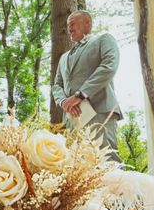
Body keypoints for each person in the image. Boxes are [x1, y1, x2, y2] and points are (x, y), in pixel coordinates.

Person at [52, 10, 122, 162]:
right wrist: (64, 102)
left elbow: (108, 66)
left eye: (72, 24)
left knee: (105, 159)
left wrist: (80, 95)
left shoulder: (104, 39)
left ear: (87, 23)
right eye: (67, 25)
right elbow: (56, 85)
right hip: (72, 118)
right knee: (78, 167)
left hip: (99, 111)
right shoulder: (64, 58)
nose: (69, 28)